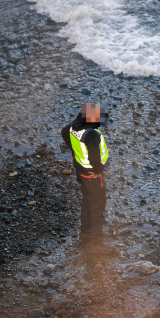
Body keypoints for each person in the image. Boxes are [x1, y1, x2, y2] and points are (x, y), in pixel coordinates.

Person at [61, 102, 111, 252]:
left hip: (80, 171)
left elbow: (64, 132)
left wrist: (74, 153)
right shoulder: (91, 135)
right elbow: (95, 157)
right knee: (97, 205)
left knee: (87, 201)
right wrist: (98, 170)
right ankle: (97, 243)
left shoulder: (73, 127)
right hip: (92, 174)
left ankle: (85, 234)